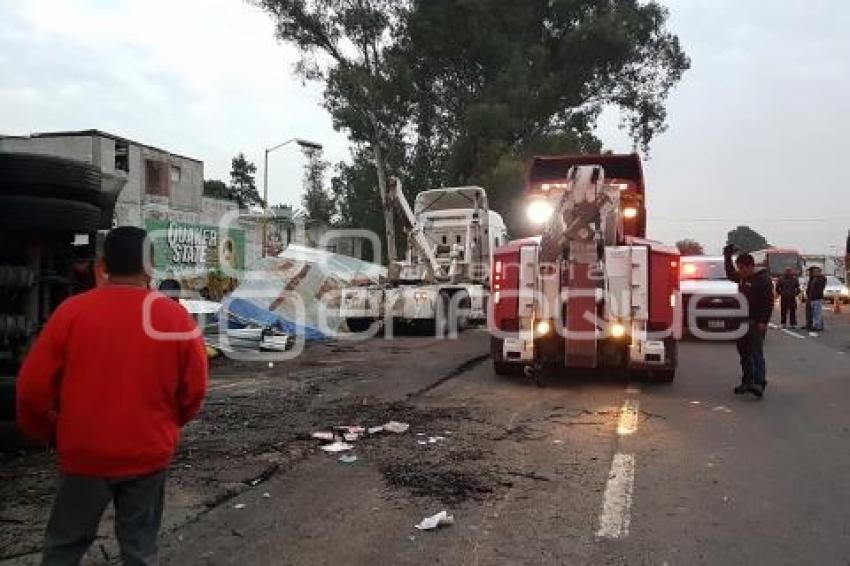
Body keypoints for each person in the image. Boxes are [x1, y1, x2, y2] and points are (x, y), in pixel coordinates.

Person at [16, 226, 208, 566]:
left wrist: (47, 430)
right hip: (148, 452)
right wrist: (167, 427)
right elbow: (194, 391)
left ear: (102, 264)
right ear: (150, 268)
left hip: (84, 453)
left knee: (64, 547)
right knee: (140, 549)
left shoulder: (71, 313)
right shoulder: (175, 318)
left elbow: (32, 388)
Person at [724, 245, 774, 398]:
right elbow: (731, 274)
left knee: (756, 353)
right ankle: (747, 381)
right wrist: (727, 256)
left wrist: (763, 321)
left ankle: (759, 383)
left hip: (755, 323)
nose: (739, 271)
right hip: (741, 323)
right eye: (738, 268)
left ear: (750, 266)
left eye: (741, 268)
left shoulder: (763, 280)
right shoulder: (743, 278)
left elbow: (768, 302)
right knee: (744, 354)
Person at [806, 265, 827, 332]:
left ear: (819, 272)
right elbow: (810, 288)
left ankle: (818, 326)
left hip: (817, 298)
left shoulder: (821, 278)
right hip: (812, 298)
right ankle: (816, 325)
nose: (813, 273)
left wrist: (815, 295)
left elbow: (819, 288)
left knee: (817, 312)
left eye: (815, 272)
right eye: (813, 272)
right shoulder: (813, 278)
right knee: (814, 312)